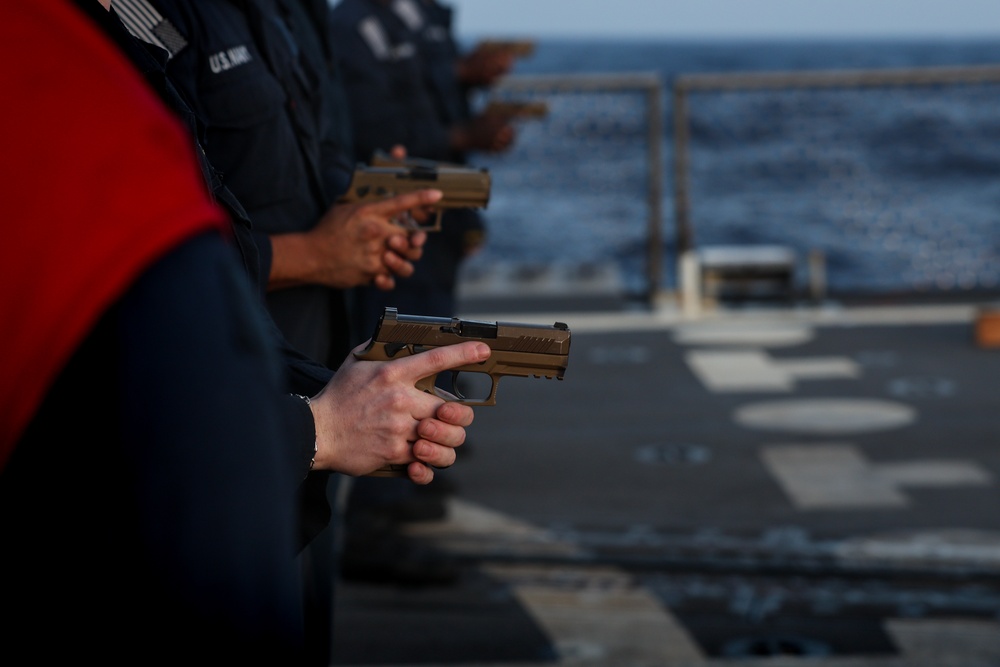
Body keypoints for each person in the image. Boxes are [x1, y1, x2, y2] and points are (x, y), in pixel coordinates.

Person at [1, 1, 485, 661]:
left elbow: (300, 161)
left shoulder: (267, 15)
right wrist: (320, 424)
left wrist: (366, 220)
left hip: (285, 392)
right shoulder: (89, 44)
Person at [327, 0, 519, 583]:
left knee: (428, 349)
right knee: (398, 357)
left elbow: (434, 104)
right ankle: (373, 527)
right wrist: (463, 132)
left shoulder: (423, 18)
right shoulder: (354, 26)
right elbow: (371, 134)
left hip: (435, 215)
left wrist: (467, 218)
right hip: (398, 216)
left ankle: (407, 479)